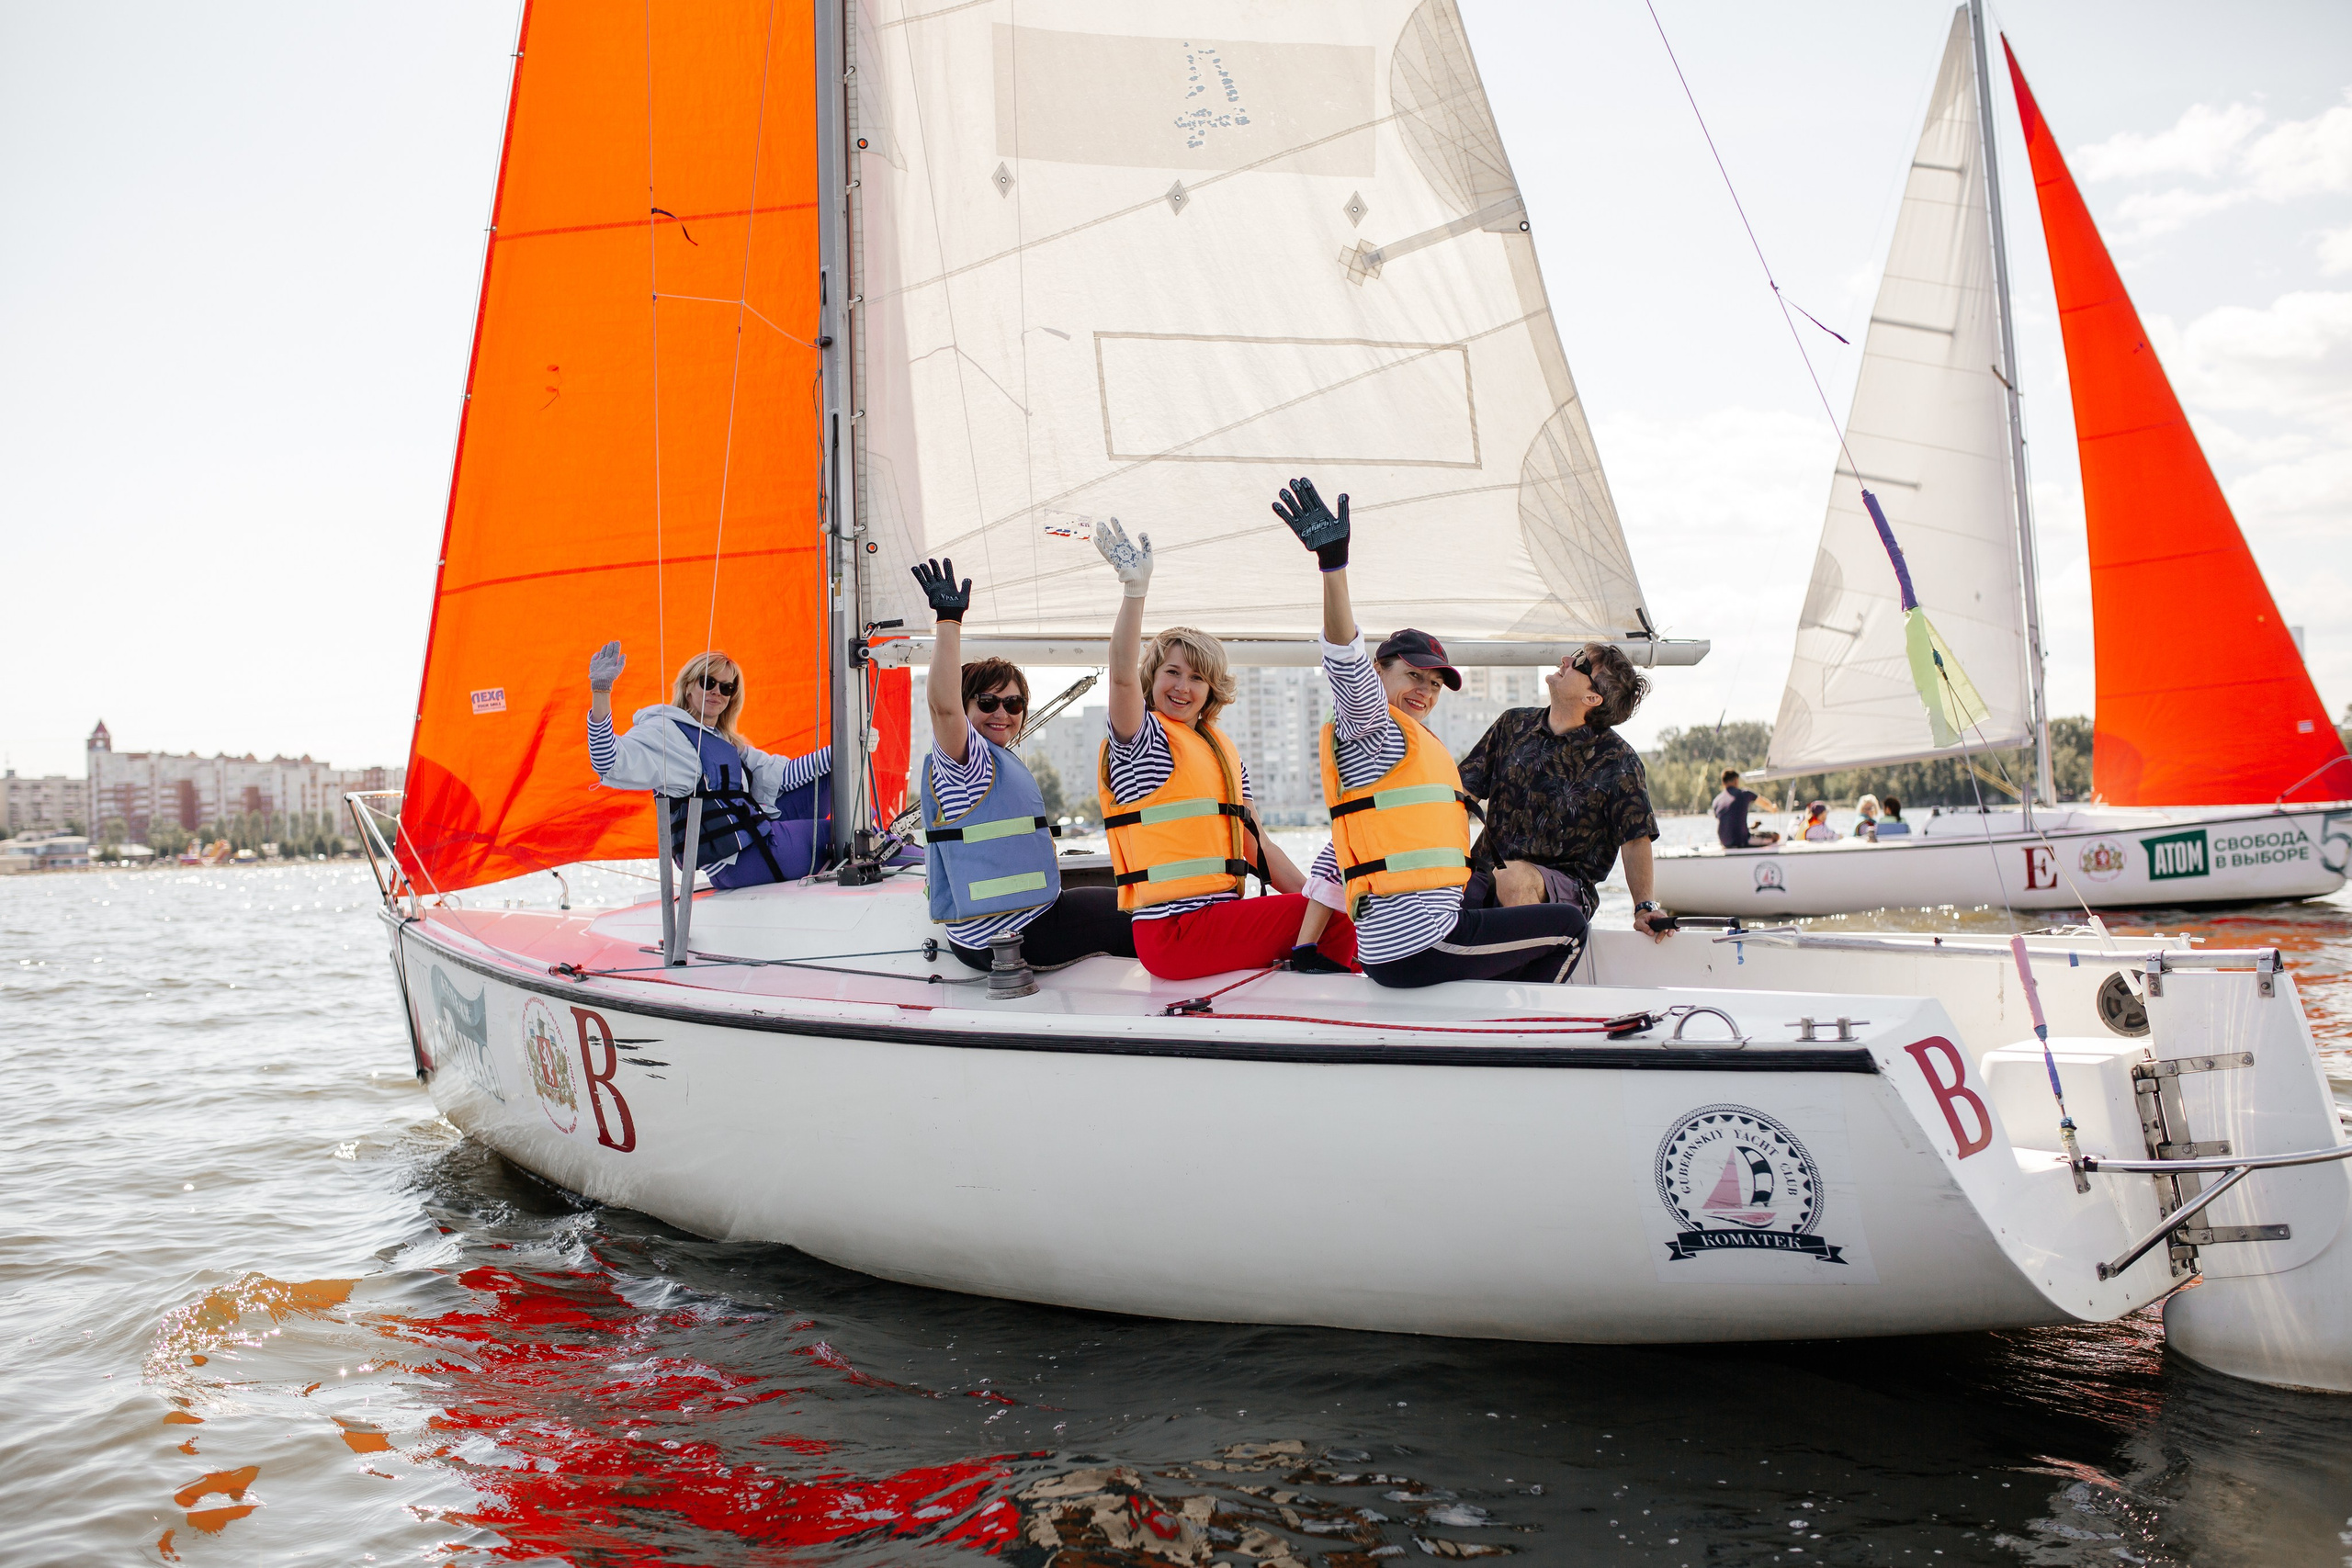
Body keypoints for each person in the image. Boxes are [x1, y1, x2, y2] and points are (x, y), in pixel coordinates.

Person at [1271, 478, 1593, 987]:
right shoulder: (1370, 725)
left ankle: (1480, 1015)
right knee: (1570, 927)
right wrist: (1333, 569)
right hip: (1422, 943)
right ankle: (1518, 1040)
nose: (1424, 691)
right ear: (1380, 673)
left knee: (1493, 896)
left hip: (1396, 947)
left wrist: (1306, 945)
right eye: (1412, 676)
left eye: (1435, 683)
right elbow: (1345, 661)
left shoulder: (1397, 754)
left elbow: (1342, 851)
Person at [1091, 517, 1356, 982]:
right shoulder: (1142, 740)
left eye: (1197, 678)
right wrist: (1135, 592)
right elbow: (1119, 675)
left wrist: (1319, 895)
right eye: (1172, 672)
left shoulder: (1221, 752)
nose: (1182, 686)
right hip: (1173, 933)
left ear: (1212, 690)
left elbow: (1257, 848)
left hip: (1212, 924)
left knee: (1333, 909)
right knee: (1335, 923)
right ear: (1152, 676)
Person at [910, 558, 1135, 971]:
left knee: (1123, 898)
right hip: (1008, 935)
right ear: (965, 708)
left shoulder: (994, 757)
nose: (1002, 713)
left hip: (1006, 924)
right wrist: (948, 621)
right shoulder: (965, 758)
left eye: (1013, 703)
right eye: (987, 702)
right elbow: (942, 708)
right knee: (1142, 917)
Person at [1452, 644, 1675, 942]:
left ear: (1592, 698)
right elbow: (1460, 798)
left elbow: (1636, 839)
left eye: (1580, 662)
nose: (1566, 659)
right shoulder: (1512, 725)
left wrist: (1644, 907)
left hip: (1565, 893)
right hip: (1483, 878)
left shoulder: (1619, 760)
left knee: (1514, 877)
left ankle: (1520, 978)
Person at [585, 641, 831, 887]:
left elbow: (785, 775)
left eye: (727, 688)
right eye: (708, 682)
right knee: (851, 834)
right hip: (741, 859)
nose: (717, 692)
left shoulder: (723, 740)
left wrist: (845, 750)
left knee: (847, 786)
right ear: (688, 686)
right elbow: (606, 760)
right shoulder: (667, 732)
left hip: (756, 835)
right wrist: (601, 691)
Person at [1712, 769, 1780, 848]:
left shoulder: (1716, 800)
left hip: (1724, 842)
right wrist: (1773, 808)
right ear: (1736, 780)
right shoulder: (1745, 794)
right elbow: (1765, 804)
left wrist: (1752, 827)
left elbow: (1729, 823)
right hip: (1742, 840)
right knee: (1776, 836)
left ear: (1723, 782)